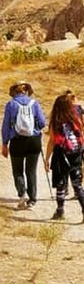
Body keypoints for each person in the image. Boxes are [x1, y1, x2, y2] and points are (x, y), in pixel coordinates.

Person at [43, 94, 84, 222]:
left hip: (60, 154)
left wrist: (47, 159)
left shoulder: (56, 121)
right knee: (78, 184)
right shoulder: (76, 119)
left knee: (61, 184)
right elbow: (81, 137)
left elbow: (52, 141)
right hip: (75, 155)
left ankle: (60, 211)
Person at [1, 80, 46, 209]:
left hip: (17, 141)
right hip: (34, 141)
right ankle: (32, 200)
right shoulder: (34, 103)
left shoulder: (11, 104)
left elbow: (5, 126)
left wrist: (4, 144)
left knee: (18, 170)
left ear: (14, 91)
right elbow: (42, 123)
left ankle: (22, 194)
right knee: (31, 171)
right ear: (26, 90)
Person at [64, 89, 84, 199]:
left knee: (66, 164)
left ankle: (65, 188)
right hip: (80, 139)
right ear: (74, 98)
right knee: (78, 165)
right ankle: (78, 190)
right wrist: (83, 124)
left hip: (67, 141)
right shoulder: (79, 108)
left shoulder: (63, 110)